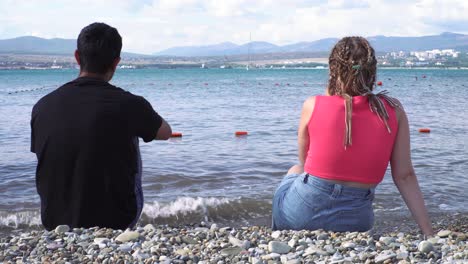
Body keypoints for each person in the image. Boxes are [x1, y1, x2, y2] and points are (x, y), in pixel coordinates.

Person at [272, 36, 433, 235]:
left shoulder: (312, 104)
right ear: (372, 71)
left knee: (295, 169)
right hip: (356, 220)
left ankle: (280, 237)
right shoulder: (393, 110)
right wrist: (428, 232)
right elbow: (405, 176)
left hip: (302, 213)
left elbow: (306, 163)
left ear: (333, 70)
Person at [30, 22, 172, 230]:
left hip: (55, 220)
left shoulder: (42, 106)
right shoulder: (129, 103)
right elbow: (165, 132)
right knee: (128, 130)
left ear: (78, 57)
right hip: (116, 219)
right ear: (116, 62)